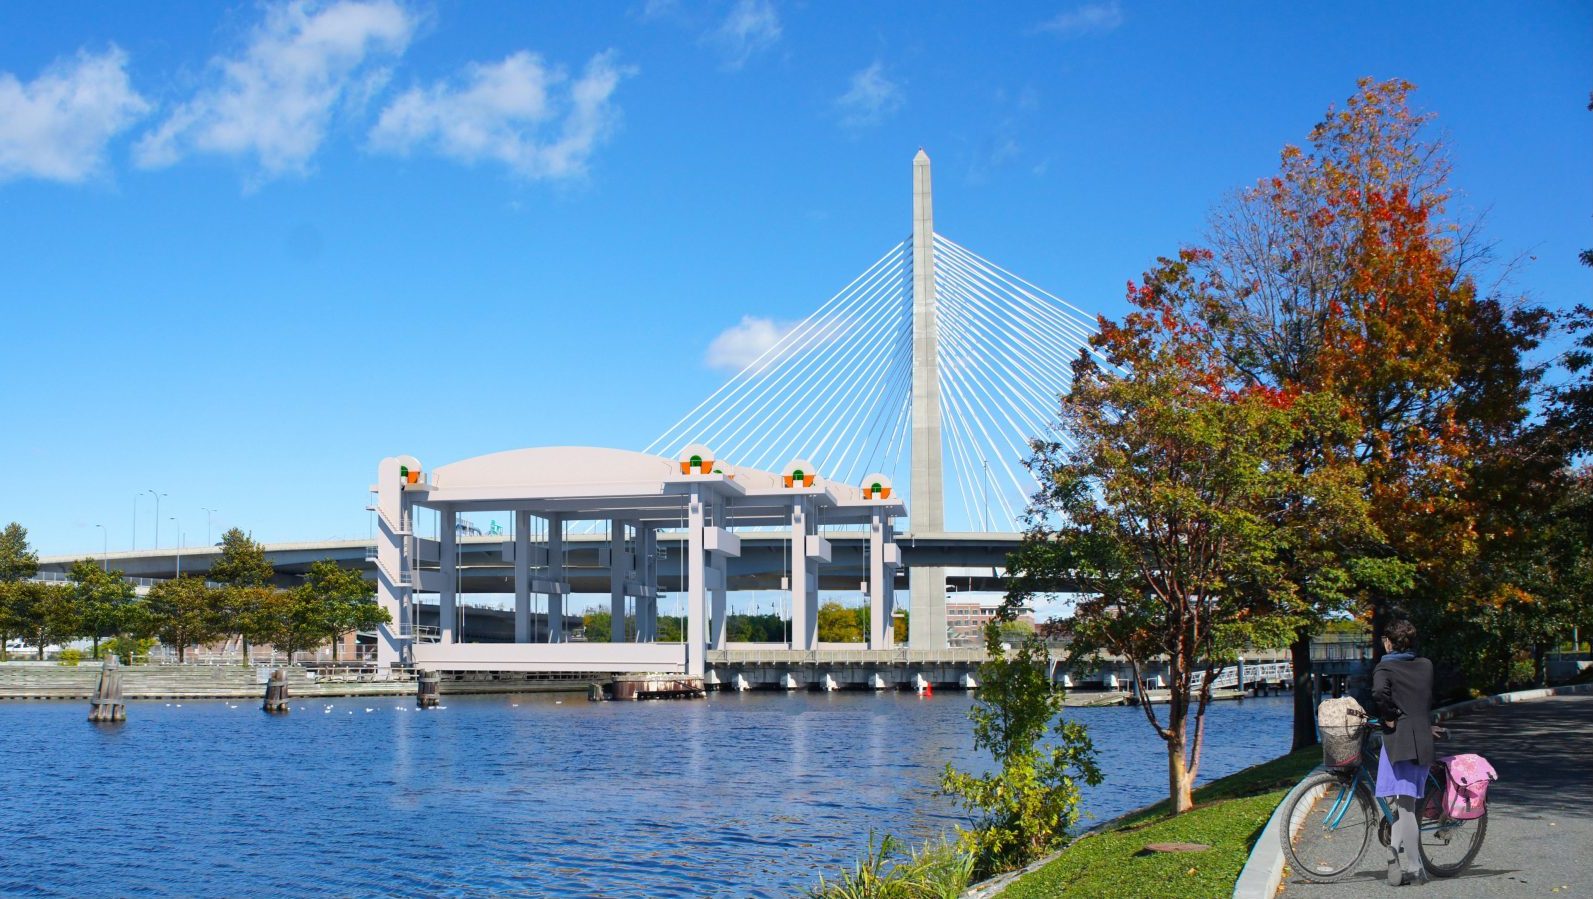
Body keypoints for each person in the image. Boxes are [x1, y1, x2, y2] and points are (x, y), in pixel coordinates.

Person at [1372, 618, 1435, 887]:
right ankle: (1394, 851)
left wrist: (1388, 717)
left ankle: (1413, 868)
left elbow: (1378, 693)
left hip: (1398, 741)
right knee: (1406, 804)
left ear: (1389, 641)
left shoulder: (1385, 666)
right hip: (1421, 739)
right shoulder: (1425, 665)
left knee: (1406, 807)